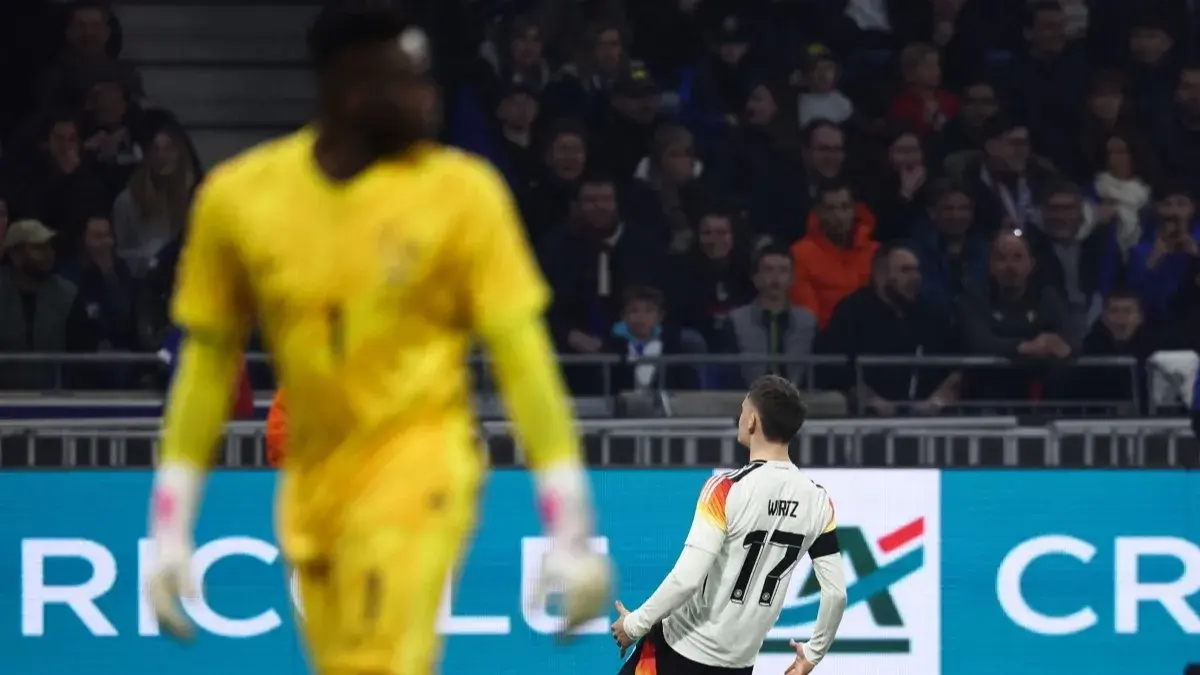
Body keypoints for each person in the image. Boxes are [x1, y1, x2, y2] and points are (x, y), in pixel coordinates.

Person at [143, 7, 611, 675]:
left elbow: (524, 360)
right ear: (349, 86)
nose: (427, 97)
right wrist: (169, 521)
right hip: (312, 483)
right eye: (407, 79)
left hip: (421, 465)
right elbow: (208, 360)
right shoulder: (240, 199)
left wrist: (569, 518)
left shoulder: (462, 194)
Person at [611, 375, 848, 675]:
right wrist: (812, 654)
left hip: (678, 653)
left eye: (743, 409)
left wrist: (633, 625)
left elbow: (687, 579)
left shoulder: (726, 489)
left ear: (752, 421)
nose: (740, 416)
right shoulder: (819, 502)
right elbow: (836, 594)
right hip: (738, 665)